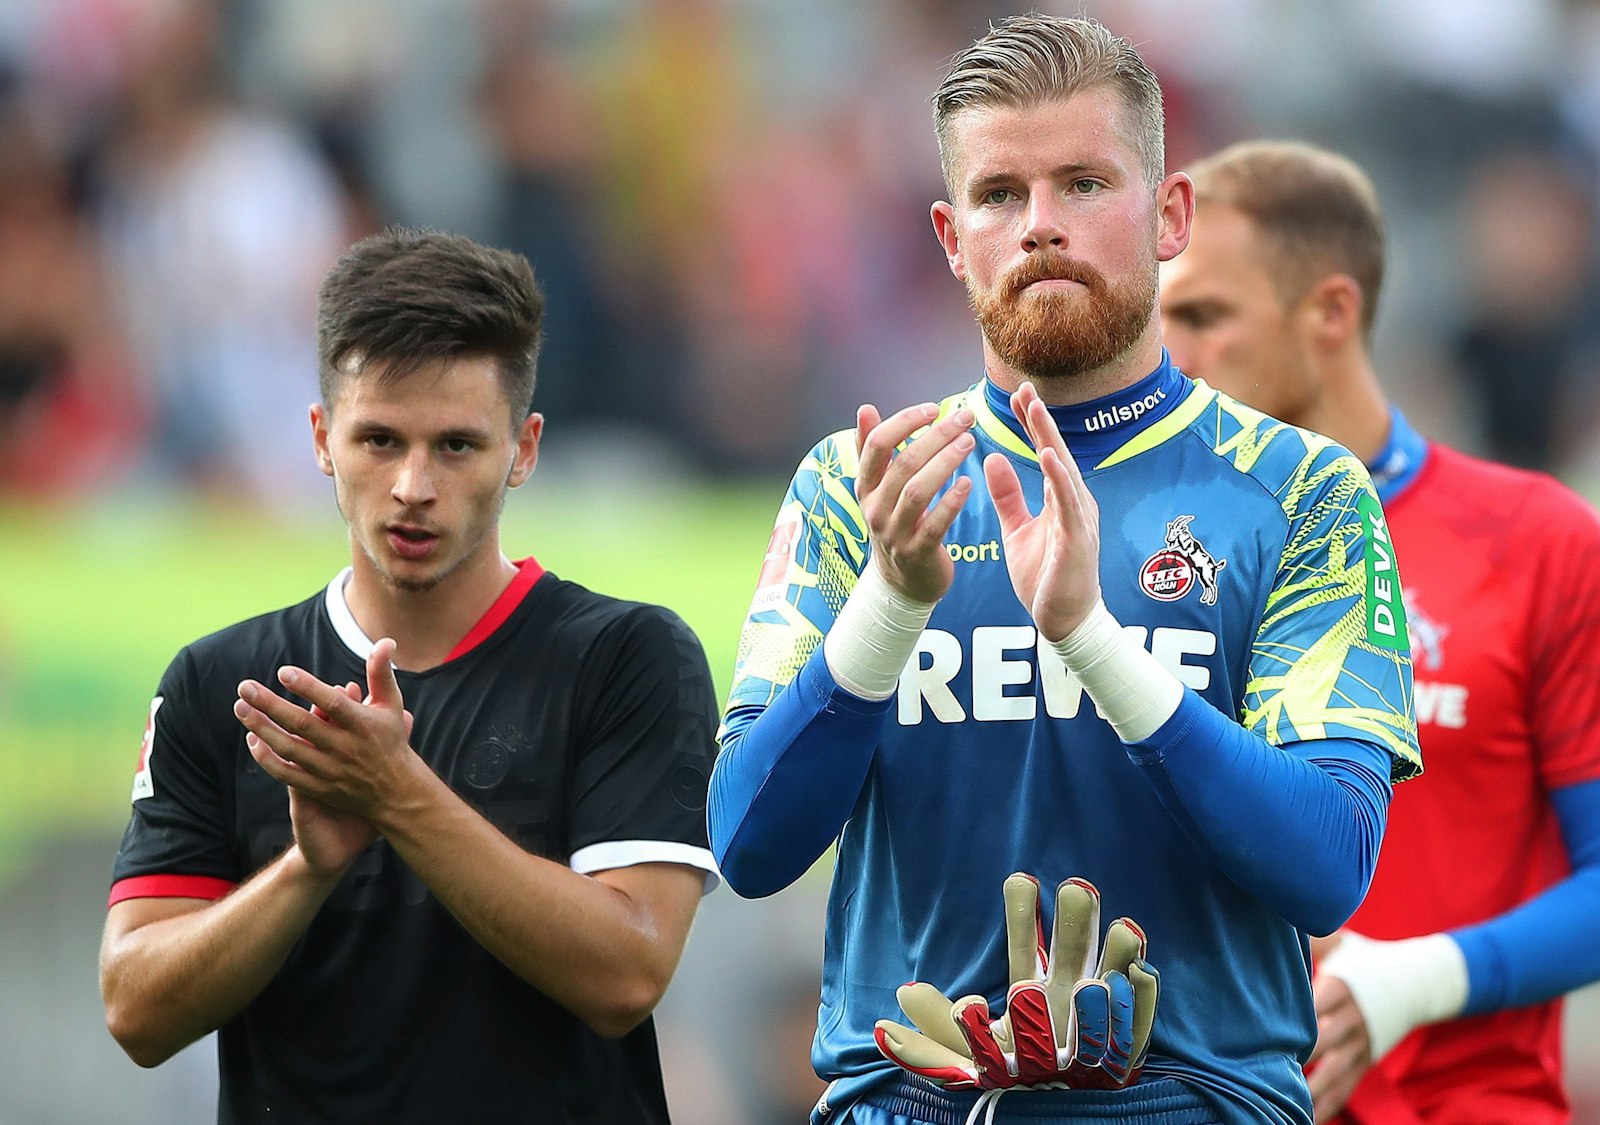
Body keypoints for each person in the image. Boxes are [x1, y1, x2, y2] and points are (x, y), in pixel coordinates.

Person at [709, 15, 1419, 1125]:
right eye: (999, 195)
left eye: (1084, 183)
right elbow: (747, 846)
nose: (1040, 225)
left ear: (1169, 213)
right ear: (949, 236)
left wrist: (1091, 639)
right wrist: (890, 608)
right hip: (908, 1105)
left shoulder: (1302, 493)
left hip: (1194, 1103)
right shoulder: (863, 488)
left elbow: (1326, 863)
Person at [99, 228, 719, 1123]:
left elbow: (628, 972)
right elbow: (135, 1008)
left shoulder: (627, 657)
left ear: (525, 448)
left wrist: (397, 797)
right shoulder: (220, 682)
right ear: (321, 438)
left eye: (458, 446)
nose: (412, 485)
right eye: (380, 440)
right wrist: (306, 869)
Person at [1159, 140, 1600, 1125]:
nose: (1171, 358)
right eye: (1159, 323)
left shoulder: (1537, 543)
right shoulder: (1150, 556)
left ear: (1330, 312)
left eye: (1202, 316)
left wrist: (1408, 983)